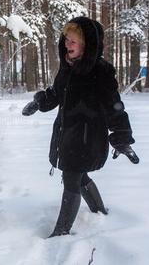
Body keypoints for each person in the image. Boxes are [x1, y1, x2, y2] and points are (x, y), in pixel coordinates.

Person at [22, 16, 139, 238]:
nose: (67, 45)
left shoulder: (100, 71)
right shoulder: (67, 67)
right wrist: (39, 102)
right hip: (67, 134)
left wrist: (122, 136)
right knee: (79, 175)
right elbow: (56, 94)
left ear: (85, 44)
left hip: (89, 137)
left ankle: (61, 232)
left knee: (71, 178)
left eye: (73, 41)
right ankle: (100, 212)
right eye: (66, 40)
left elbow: (114, 107)